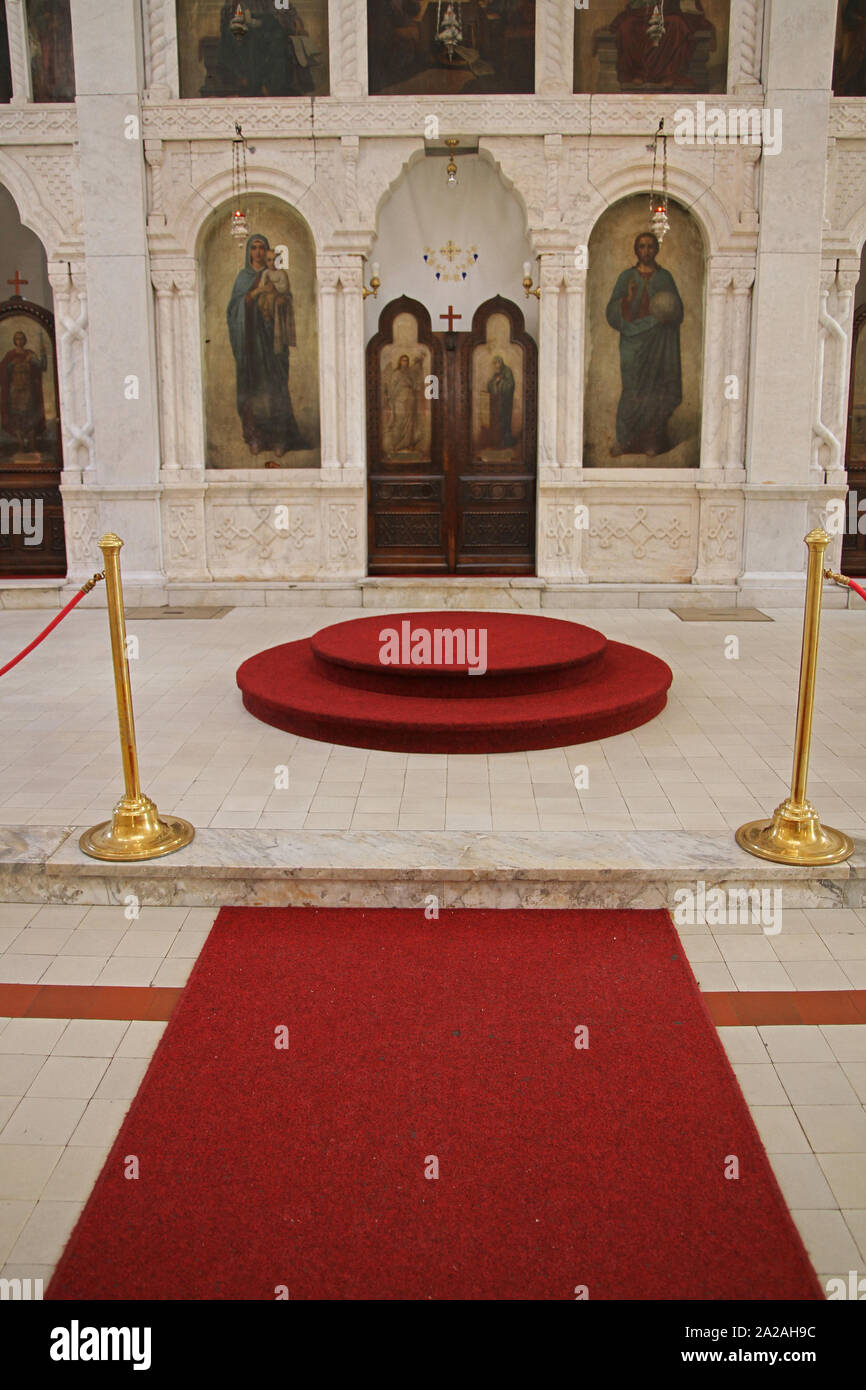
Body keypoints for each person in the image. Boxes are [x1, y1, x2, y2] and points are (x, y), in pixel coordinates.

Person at [226, 232, 306, 458]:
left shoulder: (278, 275)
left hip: (272, 341)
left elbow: (286, 299)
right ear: (249, 251)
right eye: (254, 247)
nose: (258, 252)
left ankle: (279, 437)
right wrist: (254, 294)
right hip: (250, 343)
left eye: (262, 248)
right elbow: (233, 309)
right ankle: (255, 437)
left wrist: (280, 301)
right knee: (251, 388)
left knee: (275, 386)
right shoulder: (243, 277)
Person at [605, 231, 683, 457]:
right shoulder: (626, 277)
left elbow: (677, 312)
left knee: (655, 390)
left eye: (650, 246)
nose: (646, 251)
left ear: (656, 250)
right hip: (633, 339)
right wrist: (627, 300)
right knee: (632, 389)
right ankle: (624, 440)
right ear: (636, 250)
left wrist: (667, 311)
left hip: (658, 340)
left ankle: (652, 441)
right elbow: (611, 312)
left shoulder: (665, 277)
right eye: (642, 246)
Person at [0, 329, 47, 452]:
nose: (19, 341)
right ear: (14, 341)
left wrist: (43, 355)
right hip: (15, 391)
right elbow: (3, 371)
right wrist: (11, 365)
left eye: (21, 338)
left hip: (28, 391)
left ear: (24, 340)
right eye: (17, 338)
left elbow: (42, 366)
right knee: (17, 418)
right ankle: (21, 444)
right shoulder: (10, 355)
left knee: (29, 417)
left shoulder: (30, 355)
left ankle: (32, 445)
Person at [384, 353, 423, 454]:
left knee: (410, 423)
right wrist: (391, 399)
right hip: (399, 401)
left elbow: (415, 385)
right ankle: (395, 446)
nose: (405, 363)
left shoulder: (410, 374)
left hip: (410, 399)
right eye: (403, 360)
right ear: (400, 362)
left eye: (406, 361)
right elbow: (392, 388)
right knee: (399, 422)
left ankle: (409, 445)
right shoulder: (396, 373)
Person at [487, 355, 516, 448]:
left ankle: (506, 442)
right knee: (497, 421)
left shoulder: (507, 371)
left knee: (505, 421)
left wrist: (500, 383)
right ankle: (497, 441)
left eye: (497, 363)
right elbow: (490, 384)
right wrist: (494, 383)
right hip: (497, 403)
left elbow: (510, 385)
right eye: (494, 364)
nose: (495, 366)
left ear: (501, 363)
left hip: (505, 402)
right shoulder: (497, 372)